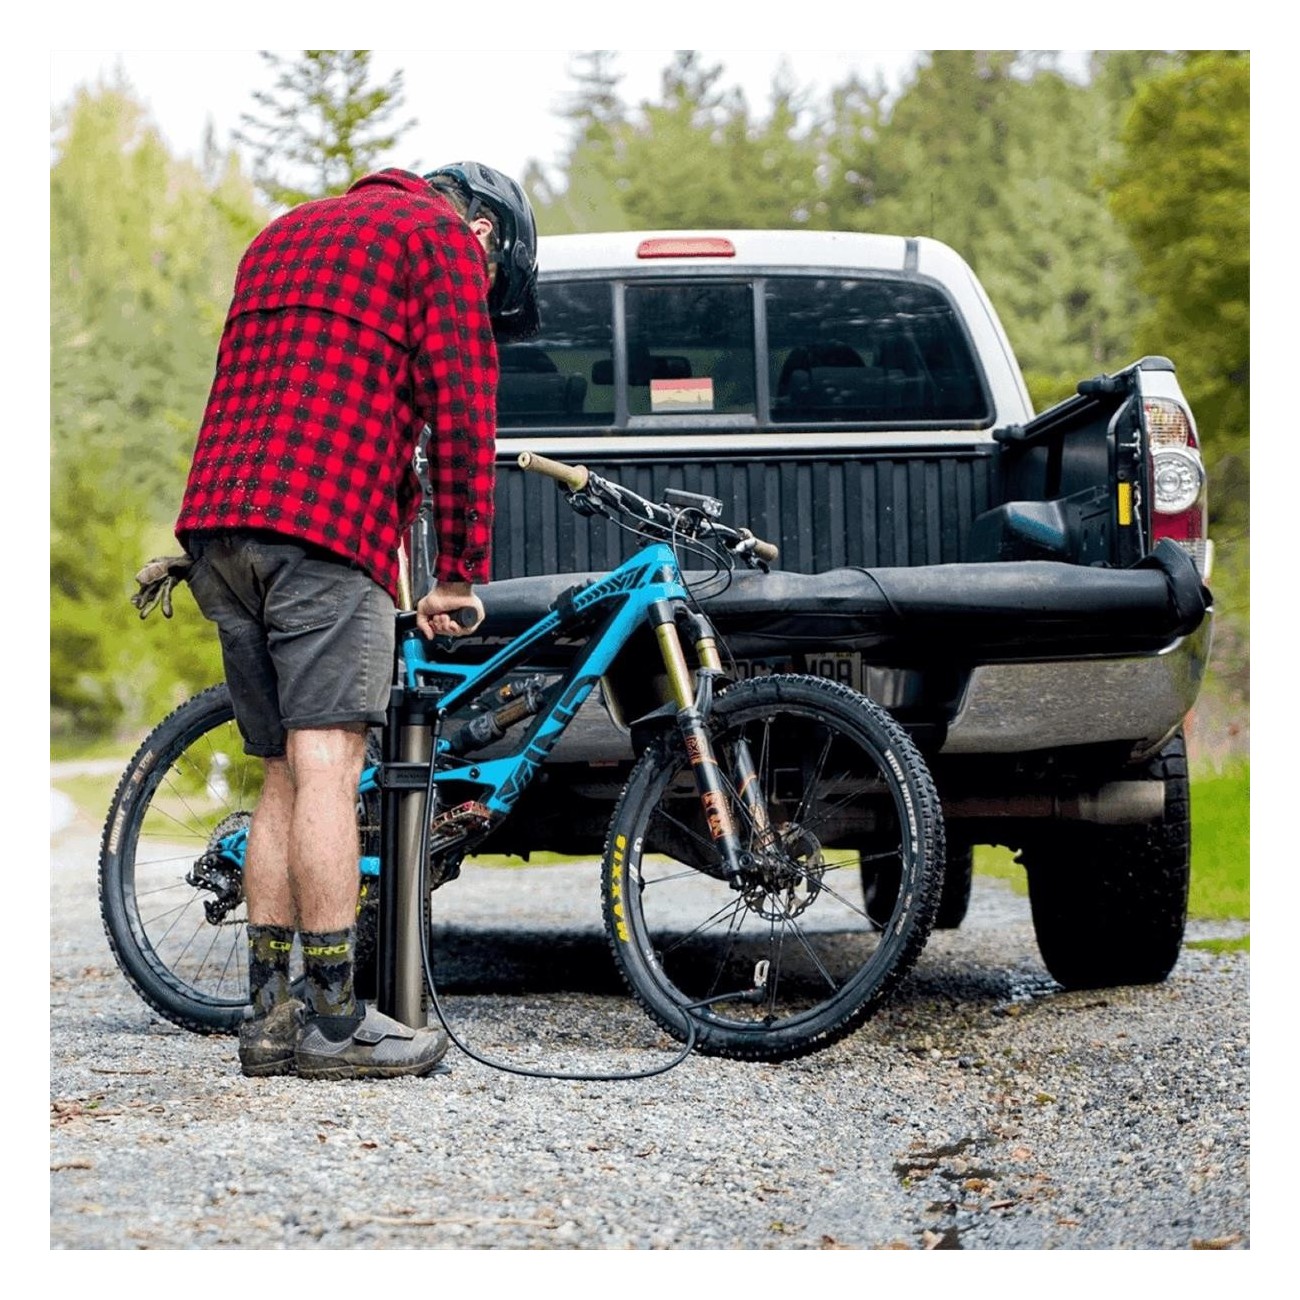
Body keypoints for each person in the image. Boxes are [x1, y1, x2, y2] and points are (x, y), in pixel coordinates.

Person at [174, 162, 540, 1080]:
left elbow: (249, 390)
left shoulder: (284, 234)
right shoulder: (443, 242)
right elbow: (462, 414)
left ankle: (269, 1023)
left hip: (220, 528)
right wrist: (457, 573)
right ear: (487, 233)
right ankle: (338, 1029)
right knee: (332, 765)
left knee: (281, 777)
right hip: (323, 534)